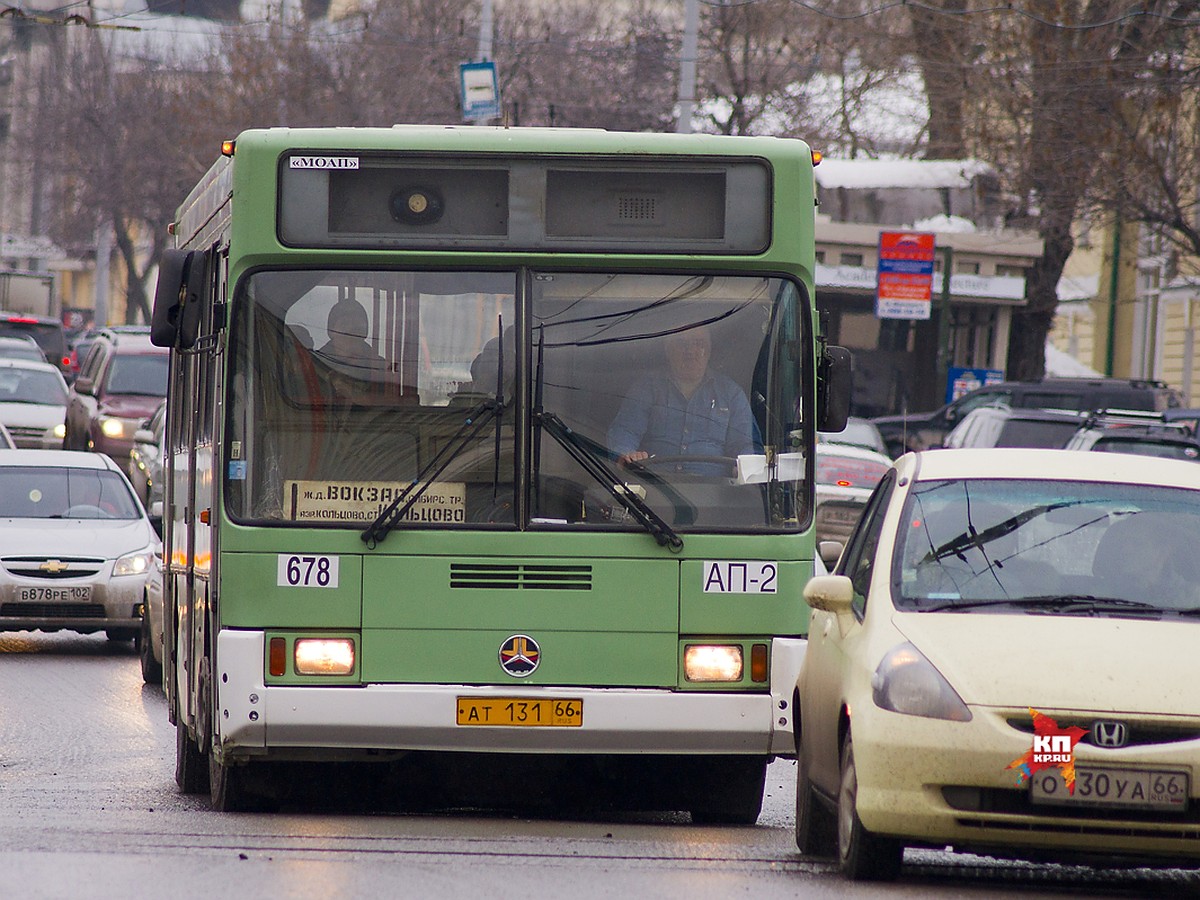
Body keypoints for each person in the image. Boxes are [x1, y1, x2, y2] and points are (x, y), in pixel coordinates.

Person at [607, 326, 759, 475]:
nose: (691, 351)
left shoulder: (731, 393)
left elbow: (746, 446)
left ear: (709, 350)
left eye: (699, 344)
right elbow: (625, 431)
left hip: (715, 493)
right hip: (654, 489)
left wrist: (743, 470)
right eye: (682, 344)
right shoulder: (647, 387)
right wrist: (626, 455)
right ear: (667, 349)